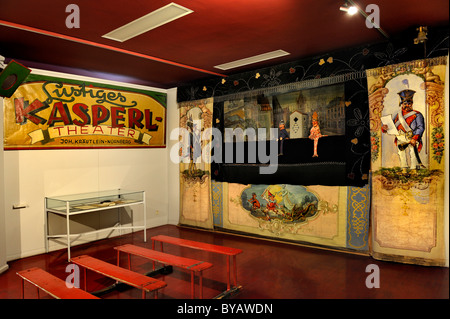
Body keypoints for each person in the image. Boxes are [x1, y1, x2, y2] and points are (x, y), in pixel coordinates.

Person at [381, 81, 425, 170]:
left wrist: (414, 138)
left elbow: (420, 127)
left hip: (412, 137)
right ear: (401, 104)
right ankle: (404, 168)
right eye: (405, 103)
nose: (407, 105)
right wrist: (385, 128)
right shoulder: (398, 115)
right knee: (401, 153)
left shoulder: (417, 115)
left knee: (413, 153)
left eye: (409, 103)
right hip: (400, 137)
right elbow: (391, 125)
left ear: (412, 104)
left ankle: (413, 170)